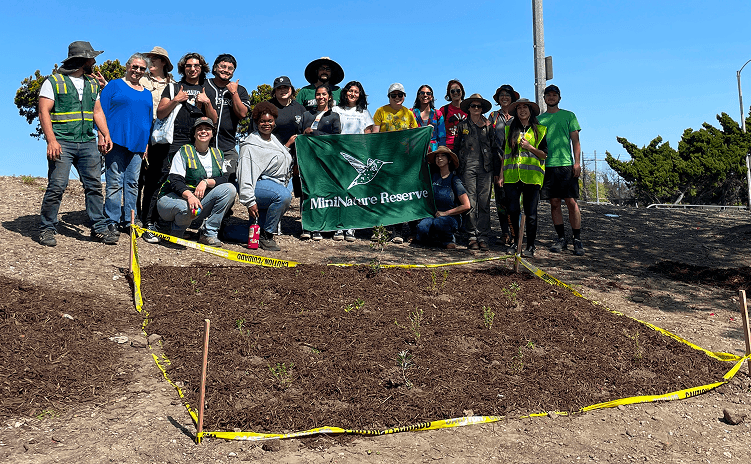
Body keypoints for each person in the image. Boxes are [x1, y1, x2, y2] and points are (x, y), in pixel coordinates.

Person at [37, 41, 116, 246]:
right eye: (91, 58)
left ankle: (98, 228)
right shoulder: (53, 82)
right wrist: (51, 140)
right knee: (57, 186)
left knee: (94, 187)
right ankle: (46, 228)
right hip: (62, 142)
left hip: (87, 142)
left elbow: (97, 111)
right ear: (82, 60)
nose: (94, 61)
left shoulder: (91, 83)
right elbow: (43, 111)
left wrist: (105, 134)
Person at [148, 53, 218, 242]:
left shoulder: (207, 90)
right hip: (173, 141)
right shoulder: (172, 88)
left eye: (196, 66)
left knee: (186, 182)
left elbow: (214, 120)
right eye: (188, 65)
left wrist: (208, 103)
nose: (192, 69)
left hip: (195, 141)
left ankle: (176, 223)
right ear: (183, 68)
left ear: (202, 68)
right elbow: (160, 113)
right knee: (163, 180)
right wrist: (176, 99)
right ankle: (151, 224)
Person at [156, 117, 236, 247]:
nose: (203, 131)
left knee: (229, 188)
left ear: (212, 133)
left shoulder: (218, 153)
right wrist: (190, 196)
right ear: (194, 134)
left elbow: (224, 178)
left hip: (197, 202)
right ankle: (174, 234)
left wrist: (205, 182)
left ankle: (208, 233)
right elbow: (175, 180)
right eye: (199, 129)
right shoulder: (184, 151)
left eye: (207, 129)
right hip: (171, 199)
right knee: (185, 207)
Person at [100, 53, 154, 243]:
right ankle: (111, 221)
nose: (138, 71)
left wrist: (146, 144)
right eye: (135, 67)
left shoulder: (147, 93)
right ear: (128, 66)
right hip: (115, 141)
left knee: (132, 184)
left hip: (138, 145)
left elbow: (148, 121)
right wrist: (102, 135)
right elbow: (100, 112)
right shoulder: (114, 85)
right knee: (114, 182)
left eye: (142, 68)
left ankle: (130, 221)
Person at [237, 102, 295, 251]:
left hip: (273, 185)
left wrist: (288, 145)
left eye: (270, 121)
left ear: (274, 121)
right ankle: (267, 235)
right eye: (262, 121)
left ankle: (225, 230)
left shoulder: (273, 140)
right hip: (259, 186)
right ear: (257, 122)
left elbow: (277, 157)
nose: (266, 124)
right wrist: (250, 201)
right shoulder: (251, 144)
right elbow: (245, 174)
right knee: (283, 196)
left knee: (252, 231)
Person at [537, 85, 585, 256]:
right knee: (554, 203)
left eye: (554, 95)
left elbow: (576, 141)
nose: (551, 97)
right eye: (548, 95)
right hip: (547, 166)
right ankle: (560, 238)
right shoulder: (539, 119)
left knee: (571, 202)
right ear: (544, 98)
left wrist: (577, 163)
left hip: (566, 165)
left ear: (559, 97)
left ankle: (577, 239)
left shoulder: (569, 116)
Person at [497, 98, 548, 258]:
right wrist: (501, 174)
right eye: (519, 108)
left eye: (525, 107)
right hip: (512, 176)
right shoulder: (509, 130)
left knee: (531, 213)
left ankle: (530, 245)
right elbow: (505, 154)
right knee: (512, 211)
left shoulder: (540, 130)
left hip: (532, 177)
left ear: (530, 111)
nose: (522, 110)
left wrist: (530, 147)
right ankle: (515, 242)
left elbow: (544, 154)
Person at [372, 83, 419, 243]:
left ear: (404, 97)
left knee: (400, 195)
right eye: (394, 95)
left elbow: (415, 136)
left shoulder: (409, 113)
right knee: (383, 195)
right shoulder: (380, 111)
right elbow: (375, 135)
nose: (397, 98)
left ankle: (397, 231)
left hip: (404, 161)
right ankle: (380, 229)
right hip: (385, 160)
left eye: (400, 95)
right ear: (389, 97)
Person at [454, 94, 499, 251]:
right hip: (467, 168)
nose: (476, 109)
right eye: (473, 106)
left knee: (484, 202)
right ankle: (472, 236)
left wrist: (497, 171)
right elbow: (456, 147)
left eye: (478, 106)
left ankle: (483, 236)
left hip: (486, 169)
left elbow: (495, 149)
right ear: (468, 108)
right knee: (470, 203)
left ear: (482, 109)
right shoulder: (462, 126)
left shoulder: (488, 126)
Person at [331, 80, 374, 242]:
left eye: (356, 92)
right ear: (345, 92)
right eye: (350, 91)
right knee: (340, 191)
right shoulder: (336, 109)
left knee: (354, 192)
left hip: (357, 157)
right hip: (339, 157)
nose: (353, 94)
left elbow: (368, 135)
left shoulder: (364, 112)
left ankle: (351, 227)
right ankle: (338, 226)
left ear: (360, 94)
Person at [139, 46, 174, 243]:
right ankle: (133, 218)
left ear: (163, 63)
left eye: (154, 58)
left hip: (164, 134)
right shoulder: (141, 80)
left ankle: (151, 219)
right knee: (139, 179)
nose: (151, 61)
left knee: (158, 178)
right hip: (144, 130)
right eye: (149, 58)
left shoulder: (174, 84)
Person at [301, 84, 342, 241]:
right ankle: (310, 226)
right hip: (309, 160)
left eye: (324, 94)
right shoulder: (306, 115)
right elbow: (300, 136)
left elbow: (336, 138)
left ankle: (327, 226)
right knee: (310, 192)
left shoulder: (334, 116)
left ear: (329, 96)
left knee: (326, 192)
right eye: (318, 94)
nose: (321, 97)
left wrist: (315, 133)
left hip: (327, 160)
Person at [204, 54, 251, 183]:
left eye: (230, 68)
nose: (226, 70)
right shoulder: (204, 84)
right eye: (223, 66)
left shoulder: (240, 90)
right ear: (215, 68)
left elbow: (242, 114)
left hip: (228, 147)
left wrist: (233, 93)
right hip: (202, 145)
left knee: (228, 181)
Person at [415, 147, 470, 249]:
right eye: (437, 156)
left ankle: (449, 239)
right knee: (422, 227)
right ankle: (434, 238)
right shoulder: (432, 177)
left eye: (443, 156)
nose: (439, 158)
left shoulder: (455, 180)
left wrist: (445, 213)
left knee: (439, 223)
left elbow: (466, 205)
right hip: (433, 215)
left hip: (451, 217)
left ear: (449, 160)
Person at [488, 84, 520, 247]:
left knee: (514, 201)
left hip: (516, 165)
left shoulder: (518, 116)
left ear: (513, 98)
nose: (504, 97)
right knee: (501, 201)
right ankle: (505, 233)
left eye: (507, 95)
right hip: (497, 163)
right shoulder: (493, 116)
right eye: (501, 95)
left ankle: (517, 234)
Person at [268, 76, 307, 203]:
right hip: (274, 155)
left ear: (291, 89)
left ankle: (303, 220)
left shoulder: (300, 108)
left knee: (302, 190)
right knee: (276, 190)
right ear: (274, 91)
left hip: (297, 156)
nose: (283, 90)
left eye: (286, 87)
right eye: (279, 88)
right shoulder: (268, 107)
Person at [411, 84, 446, 152]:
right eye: (422, 93)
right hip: (416, 150)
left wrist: (442, 152)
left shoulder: (438, 114)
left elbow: (442, 137)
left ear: (432, 97)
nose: (425, 95)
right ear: (418, 96)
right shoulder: (411, 113)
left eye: (428, 93)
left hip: (433, 151)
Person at [436, 79, 467, 151]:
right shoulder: (444, 110)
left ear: (462, 92)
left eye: (458, 90)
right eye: (452, 91)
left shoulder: (468, 109)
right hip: (449, 148)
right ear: (449, 93)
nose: (455, 93)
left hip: (465, 148)